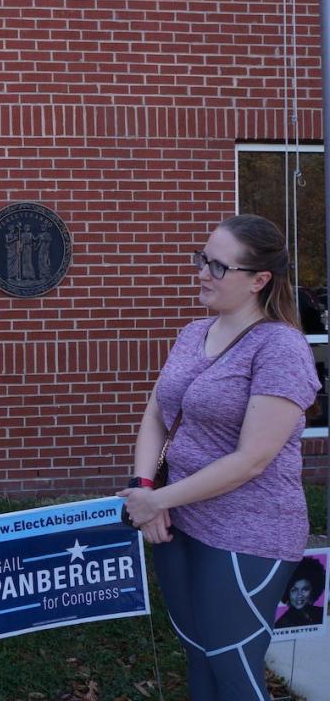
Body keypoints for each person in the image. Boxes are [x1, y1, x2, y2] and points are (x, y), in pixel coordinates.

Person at [118, 214, 320, 701]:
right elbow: (157, 414)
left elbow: (252, 459)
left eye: (217, 266)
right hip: (176, 521)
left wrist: (158, 498)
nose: (202, 272)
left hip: (248, 533)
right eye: (202, 259)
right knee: (200, 659)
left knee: (234, 671)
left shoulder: (281, 348)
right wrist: (148, 492)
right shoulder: (193, 332)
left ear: (259, 280)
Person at [275, 556, 326, 628]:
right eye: (294, 590)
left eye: (305, 589)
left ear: (313, 590)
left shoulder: (322, 613)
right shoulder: (281, 625)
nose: (299, 595)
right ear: (286, 593)